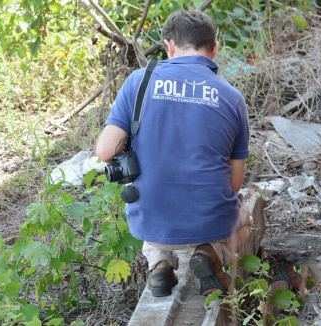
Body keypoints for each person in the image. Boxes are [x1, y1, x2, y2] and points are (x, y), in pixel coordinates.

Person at [95, 10, 249, 297]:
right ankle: (209, 251)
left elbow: (105, 151)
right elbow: (235, 183)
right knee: (245, 214)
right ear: (214, 49)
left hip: (152, 217)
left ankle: (159, 262)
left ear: (169, 46)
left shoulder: (138, 83)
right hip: (209, 216)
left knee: (154, 219)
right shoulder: (232, 98)